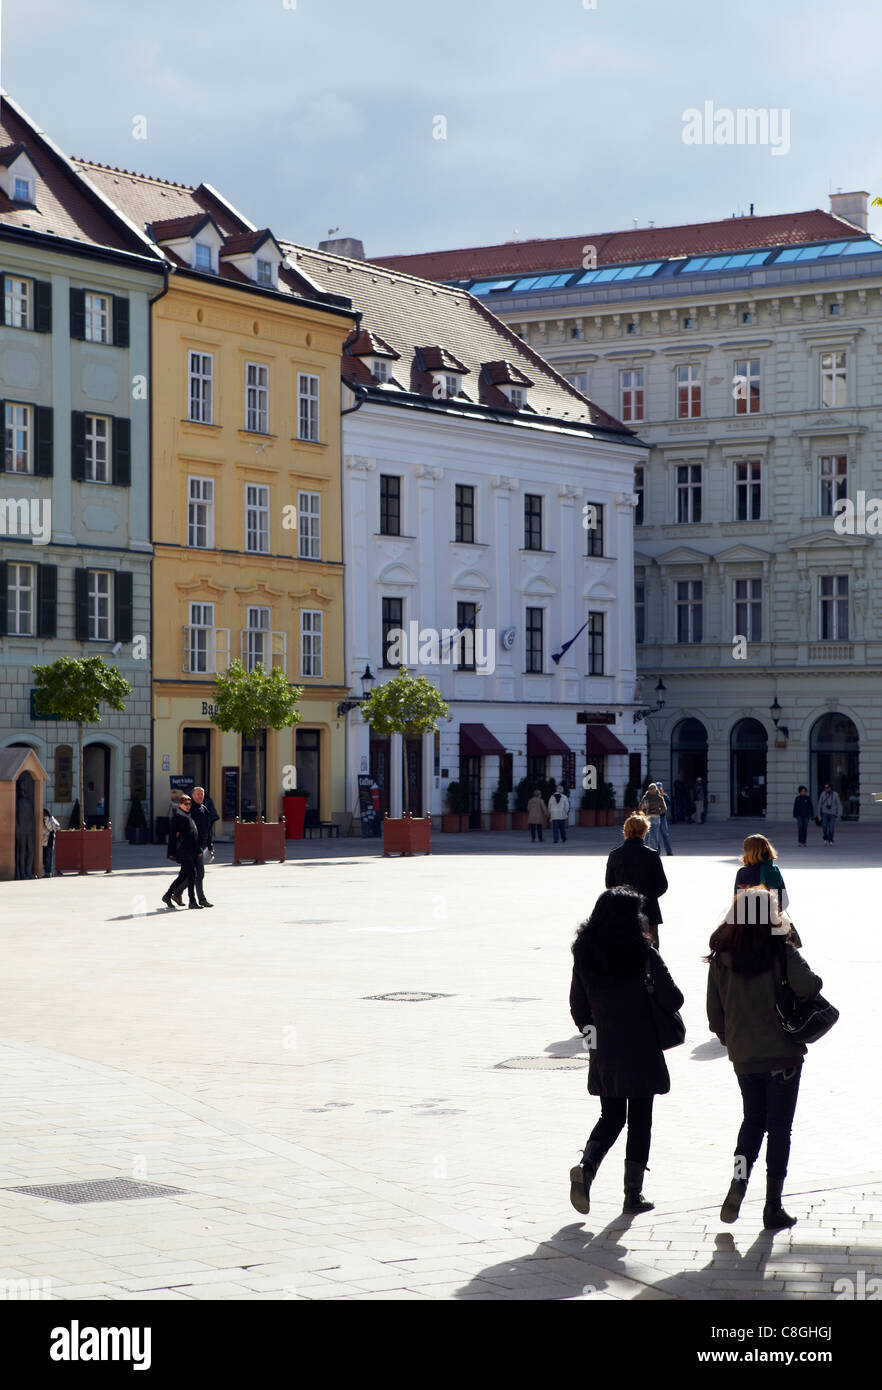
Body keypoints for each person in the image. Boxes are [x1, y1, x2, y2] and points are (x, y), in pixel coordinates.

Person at [706, 886, 823, 1230]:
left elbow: (715, 1014)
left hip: (743, 1055)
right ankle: (773, 1206)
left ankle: (738, 1182)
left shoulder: (721, 955)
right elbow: (810, 986)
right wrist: (787, 934)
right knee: (780, 1130)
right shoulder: (779, 951)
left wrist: (731, 1039)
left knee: (752, 1121)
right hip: (781, 1053)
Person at [569, 887, 684, 1217]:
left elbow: (578, 1007)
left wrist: (592, 1034)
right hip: (642, 1046)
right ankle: (632, 1195)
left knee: (611, 1115)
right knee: (640, 1120)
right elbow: (674, 999)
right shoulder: (643, 952)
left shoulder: (586, 954)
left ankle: (586, 1167)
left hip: (604, 1046)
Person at [605, 813, 668, 948]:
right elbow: (662, 885)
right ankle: (651, 967)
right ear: (644, 832)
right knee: (651, 946)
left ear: (626, 831)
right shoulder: (651, 854)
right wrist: (648, 897)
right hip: (648, 908)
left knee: (623, 944)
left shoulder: (615, 855)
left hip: (622, 908)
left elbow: (609, 885)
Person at [163, 793, 202, 909]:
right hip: (183, 851)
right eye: (186, 804)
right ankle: (192, 901)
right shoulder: (177, 818)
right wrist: (170, 853)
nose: (188, 806)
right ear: (180, 804)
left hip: (191, 851)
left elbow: (193, 835)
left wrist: (198, 849)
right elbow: (172, 837)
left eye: (189, 804)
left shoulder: (188, 816)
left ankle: (167, 895)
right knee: (192, 874)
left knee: (182, 876)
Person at [189, 786, 216, 907]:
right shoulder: (190, 810)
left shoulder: (205, 809)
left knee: (189, 874)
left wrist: (210, 845)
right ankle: (202, 899)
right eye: (197, 794)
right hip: (193, 847)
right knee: (199, 873)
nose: (200, 796)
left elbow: (208, 830)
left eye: (202, 794)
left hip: (202, 846)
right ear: (192, 795)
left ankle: (173, 894)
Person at [638, 782, 669, 855]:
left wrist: (645, 809)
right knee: (655, 836)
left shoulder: (646, 797)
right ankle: (654, 852)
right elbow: (664, 809)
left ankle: (645, 851)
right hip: (656, 817)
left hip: (648, 817)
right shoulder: (659, 797)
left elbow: (640, 807)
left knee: (646, 835)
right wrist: (658, 812)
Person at [655, 781, 674, 855]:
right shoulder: (652, 796)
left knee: (665, 834)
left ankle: (669, 851)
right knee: (655, 835)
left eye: (660, 788)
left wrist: (664, 796)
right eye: (657, 788)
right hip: (655, 817)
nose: (659, 790)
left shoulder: (664, 795)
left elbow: (669, 803)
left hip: (662, 817)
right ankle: (657, 851)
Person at [41, 807, 60, 878]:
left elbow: (52, 828)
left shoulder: (49, 819)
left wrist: (46, 819)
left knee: (48, 857)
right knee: (45, 857)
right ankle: (45, 872)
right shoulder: (46, 819)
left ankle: (48, 872)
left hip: (49, 840)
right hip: (44, 841)